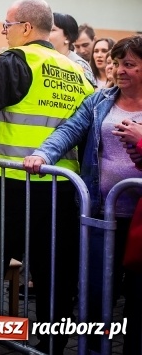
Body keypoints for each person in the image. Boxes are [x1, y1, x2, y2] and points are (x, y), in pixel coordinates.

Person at [0, 0, 94, 355]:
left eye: (7, 26)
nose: (4, 34)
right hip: (61, 190)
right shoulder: (76, 72)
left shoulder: (15, 61)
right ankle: (48, 346)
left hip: (8, 186)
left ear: (26, 28)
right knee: (55, 278)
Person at [24, 35, 142, 355]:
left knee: (138, 299)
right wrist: (44, 155)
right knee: (94, 297)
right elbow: (69, 130)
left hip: (140, 223)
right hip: (102, 215)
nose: (119, 70)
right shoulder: (100, 100)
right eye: (117, 64)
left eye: (129, 65)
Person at [51, 12, 97, 87]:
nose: (46, 33)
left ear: (67, 37)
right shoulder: (45, 59)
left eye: (52, 30)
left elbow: (92, 94)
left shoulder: (78, 64)